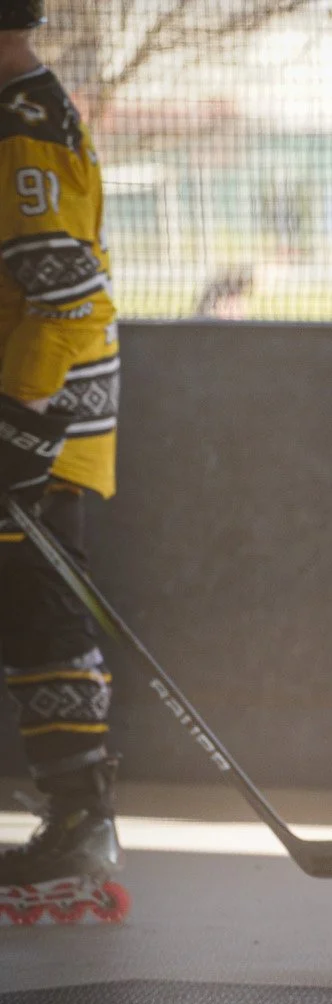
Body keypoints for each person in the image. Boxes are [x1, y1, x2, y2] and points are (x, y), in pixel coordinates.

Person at [0, 0, 125, 925]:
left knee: (40, 603)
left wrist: (21, 426)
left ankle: (81, 815)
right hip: (34, 418)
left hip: (39, 426)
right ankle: (75, 809)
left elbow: (71, 302)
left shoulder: (20, 132)